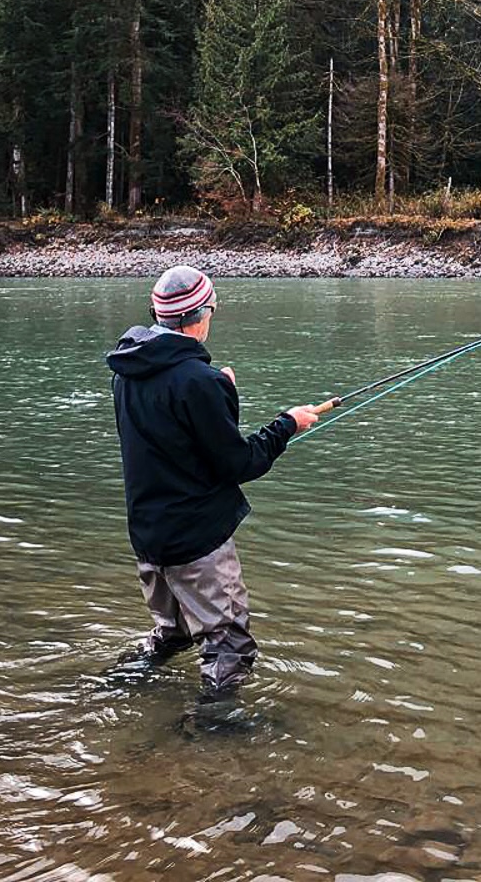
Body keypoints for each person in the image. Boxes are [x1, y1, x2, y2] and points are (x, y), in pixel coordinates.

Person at [106, 265, 331, 703]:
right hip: (197, 541)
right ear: (202, 313)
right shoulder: (198, 381)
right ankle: (216, 733)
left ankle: (116, 686)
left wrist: (221, 395)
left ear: (157, 313)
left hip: (150, 536)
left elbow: (172, 438)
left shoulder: (126, 371)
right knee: (229, 647)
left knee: (172, 635)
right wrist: (287, 424)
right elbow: (238, 464)